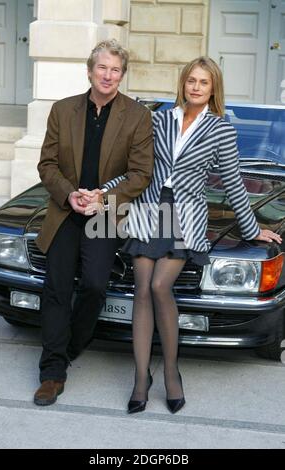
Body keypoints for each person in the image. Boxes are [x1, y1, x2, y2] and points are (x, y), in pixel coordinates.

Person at [111, 56, 282, 414]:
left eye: (204, 82)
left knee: (161, 287)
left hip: (186, 216)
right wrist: (101, 194)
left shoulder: (220, 129)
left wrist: (253, 229)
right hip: (148, 210)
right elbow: (135, 169)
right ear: (183, 83)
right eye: (191, 80)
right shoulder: (159, 119)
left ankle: (171, 371)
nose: (196, 87)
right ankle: (142, 378)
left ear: (213, 88)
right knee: (141, 290)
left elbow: (234, 182)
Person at [33, 39, 154, 406]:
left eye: (115, 70)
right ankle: (52, 373)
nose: (108, 75)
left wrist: (104, 199)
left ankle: (72, 344)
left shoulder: (136, 115)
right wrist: (70, 194)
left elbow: (140, 174)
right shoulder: (62, 110)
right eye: (102, 67)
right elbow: (47, 165)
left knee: (95, 285)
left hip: (104, 214)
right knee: (55, 287)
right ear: (89, 71)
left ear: (122, 75)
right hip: (67, 209)